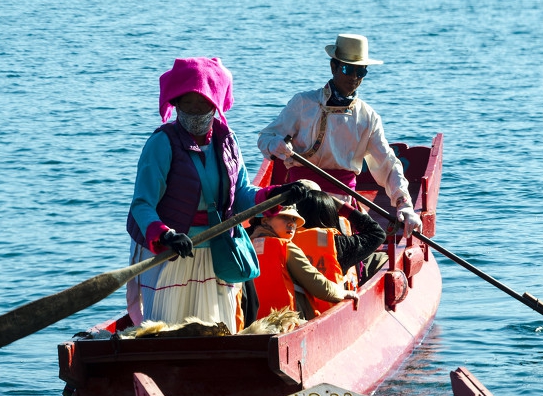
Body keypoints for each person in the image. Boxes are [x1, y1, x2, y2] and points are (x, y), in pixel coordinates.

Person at [126, 57, 309, 332]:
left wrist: (278, 194)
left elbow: (243, 195)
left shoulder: (227, 141)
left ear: (216, 105)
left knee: (216, 330)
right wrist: (166, 235)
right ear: (175, 104)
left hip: (216, 255)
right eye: (188, 104)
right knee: (167, 332)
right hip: (174, 257)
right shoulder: (161, 144)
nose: (195, 111)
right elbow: (142, 205)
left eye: (203, 104)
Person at [257, 33, 421, 238]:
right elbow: (265, 138)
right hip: (300, 199)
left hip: (341, 203)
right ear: (333, 67)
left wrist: (404, 204)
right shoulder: (302, 103)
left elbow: (388, 165)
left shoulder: (367, 117)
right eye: (347, 69)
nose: (354, 77)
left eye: (361, 71)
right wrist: (275, 144)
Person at [248, 205, 357, 321]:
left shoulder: (248, 246)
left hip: (254, 323)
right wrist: (342, 293)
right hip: (285, 324)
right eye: (285, 217)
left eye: (294, 219)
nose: (291, 224)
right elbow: (315, 281)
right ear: (265, 221)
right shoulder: (286, 248)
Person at [292, 189, 387, 309]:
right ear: (331, 215)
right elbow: (378, 234)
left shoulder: (285, 239)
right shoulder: (340, 244)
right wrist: (343, 208)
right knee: (381, 258)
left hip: (297, 311)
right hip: (330, 310)